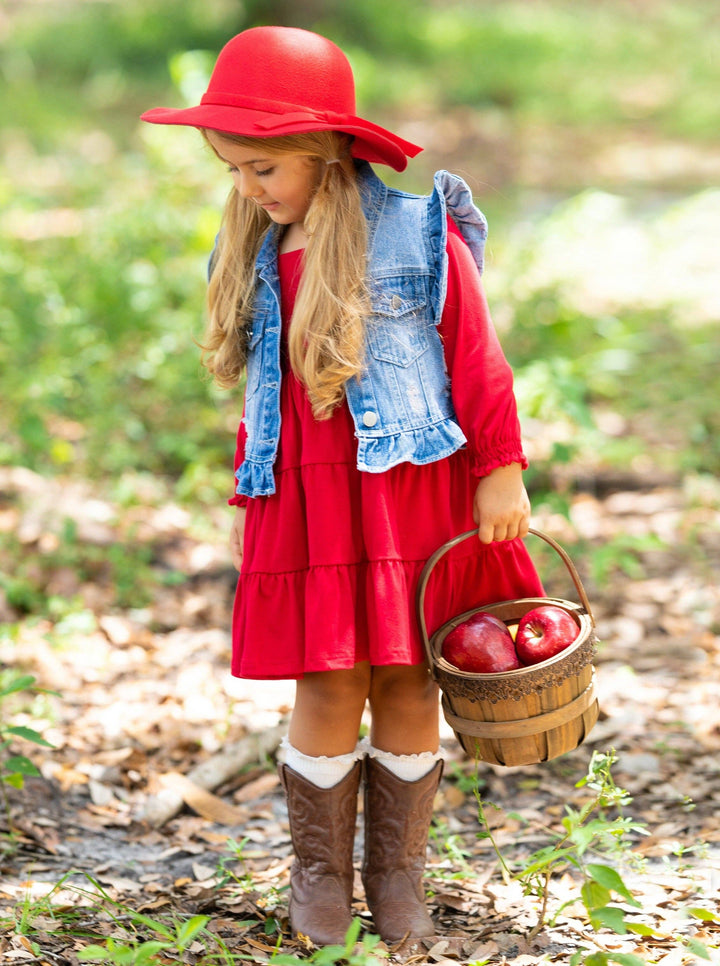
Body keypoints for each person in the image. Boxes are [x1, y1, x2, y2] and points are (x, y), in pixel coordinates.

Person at [142, 25, 543, 947]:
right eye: (233, 169)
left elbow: (477, 359)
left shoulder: (417, 231)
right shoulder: (249, 250)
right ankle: (320, 874)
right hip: (311, 498)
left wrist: (501, 466)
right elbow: (262, 390)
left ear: (322, 151)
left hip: (410, 486)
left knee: (408, 678)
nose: (246, 188)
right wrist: (258, 486)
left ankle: (397, 875)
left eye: (263, 169)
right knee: (327, 681)